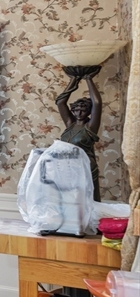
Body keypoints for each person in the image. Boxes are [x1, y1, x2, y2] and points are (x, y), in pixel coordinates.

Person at [55, 71, 102, 201]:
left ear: (89, 111)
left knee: (86, 201)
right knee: (69, 201)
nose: (79, 112)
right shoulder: (70, 124)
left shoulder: (90, 127)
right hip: (67, 166)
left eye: (83, 109)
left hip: (85, 167)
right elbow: (60, 102)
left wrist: (88, 79)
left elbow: (97, 103)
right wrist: (73, 80)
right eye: (76, 109)